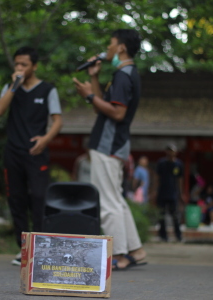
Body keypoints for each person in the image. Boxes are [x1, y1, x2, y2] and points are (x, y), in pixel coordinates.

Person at [73, 29, 147, 270]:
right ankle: (136, 250)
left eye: (111, 43)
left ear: (121, 47)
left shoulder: (123, 76)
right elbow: (103, 106)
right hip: (115, 143)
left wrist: (87, 95)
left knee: (107, 202)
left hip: (107, 144)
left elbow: (117, 112)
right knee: (116, 199)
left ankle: (120, 254)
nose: (108, 48)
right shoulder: (126, 73)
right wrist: (94, 79)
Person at [0, 46, 63, 265]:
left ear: (34, 66)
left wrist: (45, 140)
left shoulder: (47, 90)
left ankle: (41, 247)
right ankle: (23, 249)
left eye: (24, 64)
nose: (20, 68)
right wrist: (14, 86)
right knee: (17, 199)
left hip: (36, 153)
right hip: (13, 152)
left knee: (39, 198)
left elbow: (58, 121)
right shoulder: (10, 87)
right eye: (17, 64)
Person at [155, 143, 184, 242]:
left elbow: (179, 180)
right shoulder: (161, 163)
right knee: (161, 216)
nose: (171, 152)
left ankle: (178, 236)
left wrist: (180, 193)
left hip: (173, 194)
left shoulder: (178, 164)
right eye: (169, 150)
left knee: (175, 216)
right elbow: (157, 178)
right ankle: (163, 236)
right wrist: (154, 191)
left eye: (172, 150)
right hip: (162, 193)